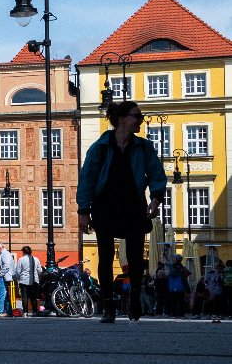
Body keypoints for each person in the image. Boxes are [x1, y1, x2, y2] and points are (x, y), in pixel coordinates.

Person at [79, 99, 167, 324]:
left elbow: (157, 174)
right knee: (105, 256)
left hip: (133, 206)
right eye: (137, 116)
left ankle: (135, 300)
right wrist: (83, 210)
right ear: (122, 119)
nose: (141, 120)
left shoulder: (144, 147)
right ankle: (109, 306)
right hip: (104, 206)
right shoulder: (100, 147)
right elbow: (87, 178)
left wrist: (156, 199)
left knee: (136, 257)